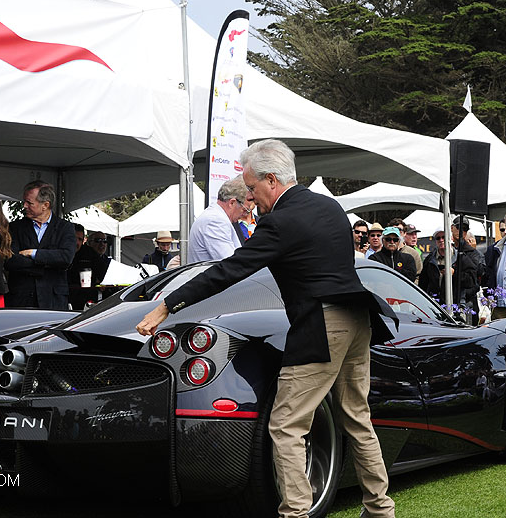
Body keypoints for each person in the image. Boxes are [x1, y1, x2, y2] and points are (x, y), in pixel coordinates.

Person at [136, 139, 396, 518]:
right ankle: (380, 510)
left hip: (323, 324)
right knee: (357, 419)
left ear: (272, 180)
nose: (251, 199)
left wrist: (167, 305)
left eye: (253, 189)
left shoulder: (280, 221)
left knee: (287, 426)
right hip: (358, 318)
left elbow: (229, 270)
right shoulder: (329, 206)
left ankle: (294, 514)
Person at [4, 181, 76, 310]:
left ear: (45, 205)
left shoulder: (65, 228)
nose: (24, 206)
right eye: (24, 201)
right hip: (21, 300)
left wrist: (33, 253)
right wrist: (47, 264)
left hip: (53, 301)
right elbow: (10, 260)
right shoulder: (15, 228)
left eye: (29, 203)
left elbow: (66, 258)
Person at [188, 176, 250, 262]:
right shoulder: (215, 221)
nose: (244, 215)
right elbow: (231, 262)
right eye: (245, 210)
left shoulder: (214, 217)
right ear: (232, 203)